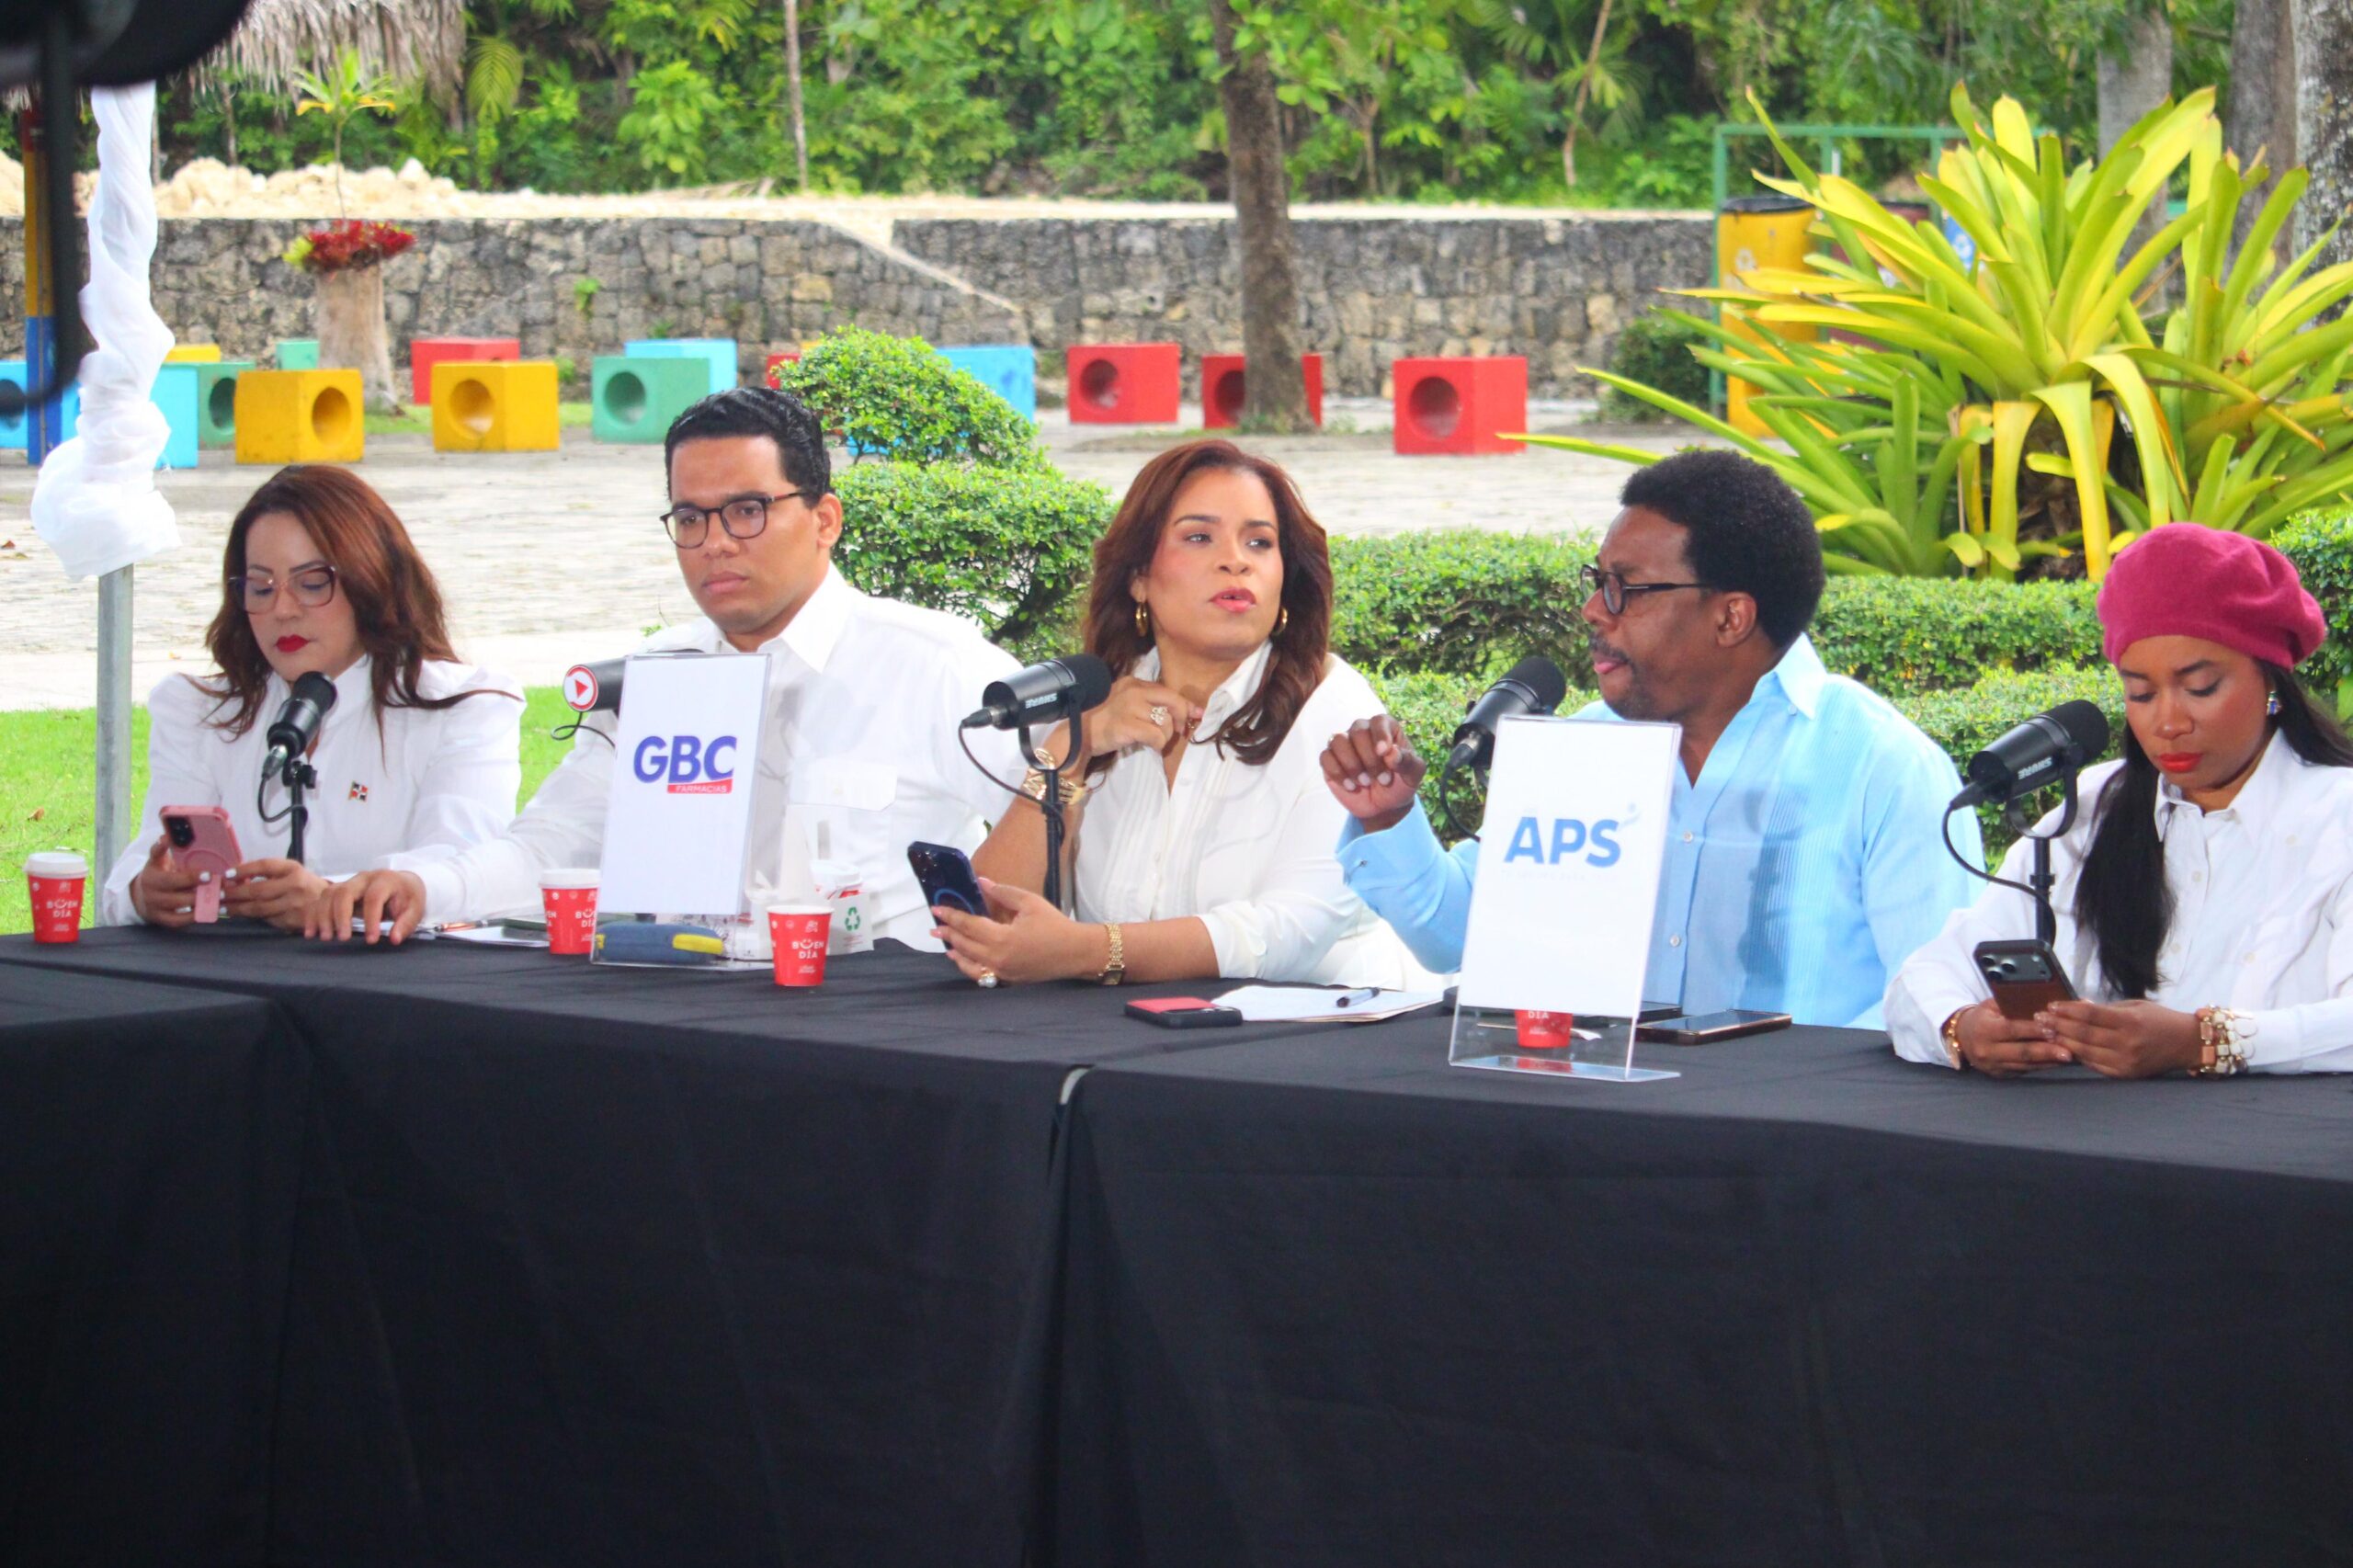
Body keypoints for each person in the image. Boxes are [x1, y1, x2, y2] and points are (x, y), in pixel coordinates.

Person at [311, 387, 1023, 945]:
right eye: (689, 518)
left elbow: (1053, 831)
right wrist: (419, 887)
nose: (715, 543)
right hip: (677, 1019)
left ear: (825, 520)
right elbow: (549, 848)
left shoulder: (933, 666)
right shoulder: (655, 676)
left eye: (747, 510)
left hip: (871, 1030)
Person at [1317, 449, 1979, 1028]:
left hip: (1798, 1124)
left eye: (1624, 589)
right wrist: (1388, 817)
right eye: (1596, 582)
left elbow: (1936, 999)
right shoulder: (1583, 752)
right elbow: (1454, 932)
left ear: (1731, 618)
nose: (1593, 611)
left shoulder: (1883, 769)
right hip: (1604, 1113)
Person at [935, 439, 1409, 987]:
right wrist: (1069, 750)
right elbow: (991, 929)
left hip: (1317, 1025)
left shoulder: (1336, 712)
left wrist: (1090, 951)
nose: (1236, 560)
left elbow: (1291, 934)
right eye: (1199, 537)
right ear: (1138, 576)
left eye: (1259, 542)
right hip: (1124, 1029)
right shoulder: (1099, 700)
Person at [1888, 526, 2353, 1076]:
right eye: (2141, 693)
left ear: (2272, 682)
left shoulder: (2337, 815)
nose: (2169, 722)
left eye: (2200, 687)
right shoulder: (2092, 809)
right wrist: (1963, 1027)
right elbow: (1926, 976)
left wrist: (2207, 1042)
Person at [104, 465, 522, 930]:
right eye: (261, 588)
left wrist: (329, 897)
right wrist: (147, 893)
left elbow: (461, 871)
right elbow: (127, 882)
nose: (283, 610)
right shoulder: (201, 710)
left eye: (311, 584)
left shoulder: (465, 706)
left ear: (371, 582)